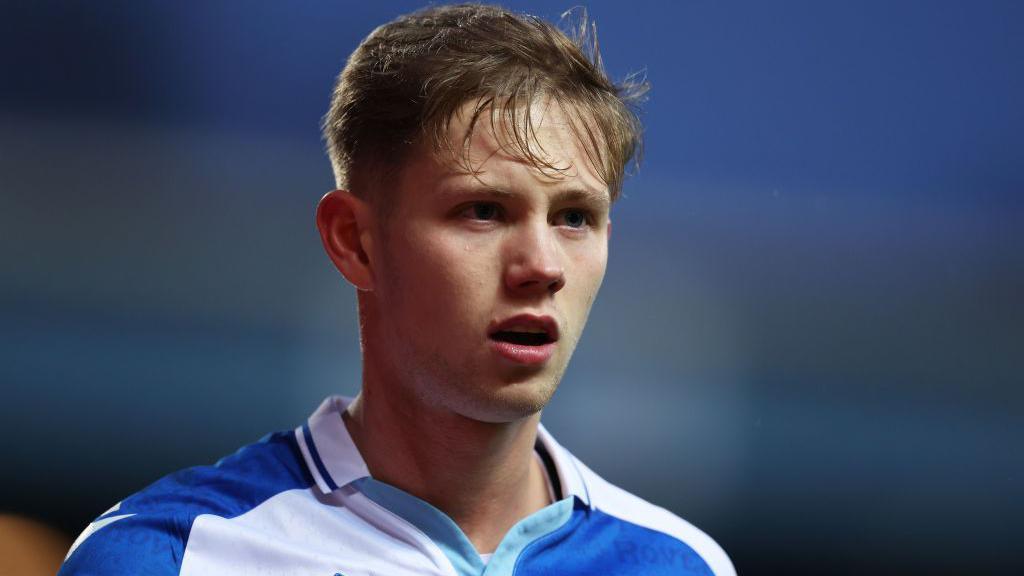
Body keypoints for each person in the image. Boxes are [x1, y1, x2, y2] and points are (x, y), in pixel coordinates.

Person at [59, 4, 735, 575]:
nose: (543, 264)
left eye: (574, 218)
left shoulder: (682, 563)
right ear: (354, 241)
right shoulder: (171, 557)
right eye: (483, 211)